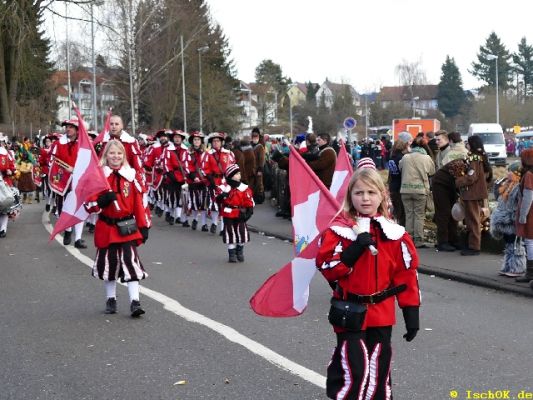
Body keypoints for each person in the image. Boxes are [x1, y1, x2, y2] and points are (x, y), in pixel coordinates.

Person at [316, 167, 421, 400]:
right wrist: (354, 249)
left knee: (379, 369)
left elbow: (406, 276)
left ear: (382, 195)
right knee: (354, 369)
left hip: (381, 312)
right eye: (359, 192)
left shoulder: (395, 233)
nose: (365, 198)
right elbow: (328, 269)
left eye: (371, 192)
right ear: (350, 196)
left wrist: (411, 313)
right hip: (349, 310)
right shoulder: (339, 231)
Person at [85, 140, 150, 317]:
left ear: (124, 156)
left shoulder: (131, 175)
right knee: (109, 264)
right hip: (107, 228)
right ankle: (111, 299)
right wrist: (102, 200)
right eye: (112, 153)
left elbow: (139, 203)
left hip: (127, 228)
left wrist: (144, 226)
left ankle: (135, 302)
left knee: (130, 262)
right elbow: (90, 206)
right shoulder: (99, 177)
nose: (116, 156)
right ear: (106, 155)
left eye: (119, 153)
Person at [50, 119, 87, 248]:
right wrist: (67, 168)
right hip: (63, 179)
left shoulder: (84, 143)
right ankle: (68, 230)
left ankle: (78, 238)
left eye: (71, 127)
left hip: (79, 179)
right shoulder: (59, 143)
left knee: (80, 207)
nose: (68, 129)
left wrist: (78, 170)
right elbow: (54, 160)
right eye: (67, 127)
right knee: (65, 207)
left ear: (77, 130)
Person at [432, 132, 469, 251]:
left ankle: (452, 240)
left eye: (439, 140)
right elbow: (459, 176)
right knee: (444, 213)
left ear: (450, 141)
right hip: (442, 184)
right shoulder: (465, 154)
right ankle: (443, 242)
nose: (437, 142)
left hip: (446, 183)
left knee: (450, 213)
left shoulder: (451, 153)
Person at [455, 135, 493, 256]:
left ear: (472, 144)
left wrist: (458, 181)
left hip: (472, 193)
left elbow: (472, 177)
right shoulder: (480, 157)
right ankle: (471, 245)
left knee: (473, 220)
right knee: (472, 219)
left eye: (468, 143)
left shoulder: (474, 158)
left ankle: (474, 246)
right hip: (475, 193)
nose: (466, 145)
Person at [490, 161, 526, 277]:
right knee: (508, 244)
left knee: (516, 244)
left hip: (512, 220)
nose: (508, 173)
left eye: (510, 171)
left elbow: (520, 204)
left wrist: (517, 217)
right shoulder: (506, 185)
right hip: (504, 220)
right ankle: (508, 266)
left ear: (517, 173)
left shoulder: (519, 187)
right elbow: (500, 200)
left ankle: (518, 268)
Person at [399, 136, 435, 247]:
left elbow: (400, 168)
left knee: (409, 214)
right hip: (420, 190)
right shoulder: (427, 158)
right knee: (419, 215)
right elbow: (432, 172)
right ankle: (418, 240)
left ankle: (408, 239)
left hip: (405, 190)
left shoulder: (405, 157)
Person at [216, 164, 254, 262]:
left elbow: (248, 201)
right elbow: (217, 200)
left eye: (239, 173)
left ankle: (239, 251)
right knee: (230, 233)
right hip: (228, 214)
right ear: (231, 175)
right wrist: (223, 195)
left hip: (240, 213)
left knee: (241, 233)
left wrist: (248, 212)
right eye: (237, 174)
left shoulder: (243, 188)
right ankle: (231, 254)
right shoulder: (224, 187)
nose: (239, 175)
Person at [515, 149, 533, 286]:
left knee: (529, 242)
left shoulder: (528, 175)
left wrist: (522, 216)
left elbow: (528, 196)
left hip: (530, 212)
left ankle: (530, 272)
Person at [387, 131, 412, 226]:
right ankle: (401, 228)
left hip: (393, 185)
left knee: (397, 211)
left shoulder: (392, 155)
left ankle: (397, 226)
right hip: (400, 187)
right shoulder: (402, 157)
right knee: (402, 212)